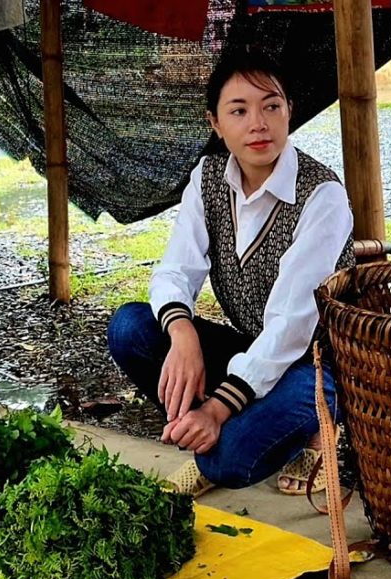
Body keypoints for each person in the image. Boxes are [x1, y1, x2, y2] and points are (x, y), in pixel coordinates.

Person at [107, 48, 354, 498]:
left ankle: (316, 429)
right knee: (131, 327)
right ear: (216, 124)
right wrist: (183, 335)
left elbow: (291, 326)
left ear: (289, 112)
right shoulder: (208, 177)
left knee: (229, 460)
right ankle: (208, 428)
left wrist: (218, 408)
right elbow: (175, 270)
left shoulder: (322, 197)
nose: (258, 123)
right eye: (239, 110)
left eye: (271, 106)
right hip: (255, 350)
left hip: (316, 367)